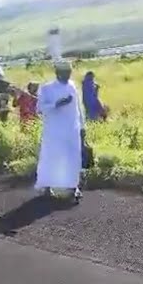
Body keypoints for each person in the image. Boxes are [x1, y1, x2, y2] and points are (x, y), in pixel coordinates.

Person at [35, 60, 85, 203]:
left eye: (69, 72)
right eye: (64, 73)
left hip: (72, 130)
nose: (67, 75)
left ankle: (73, 187)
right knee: (51, 158)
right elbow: (39, 109)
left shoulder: (73, 86)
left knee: (72, 159)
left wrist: (83, 127)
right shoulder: (47, 89)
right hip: (54, 132)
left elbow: (79, 109)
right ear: (57, 73)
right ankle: (47, 187)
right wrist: (56, 104)